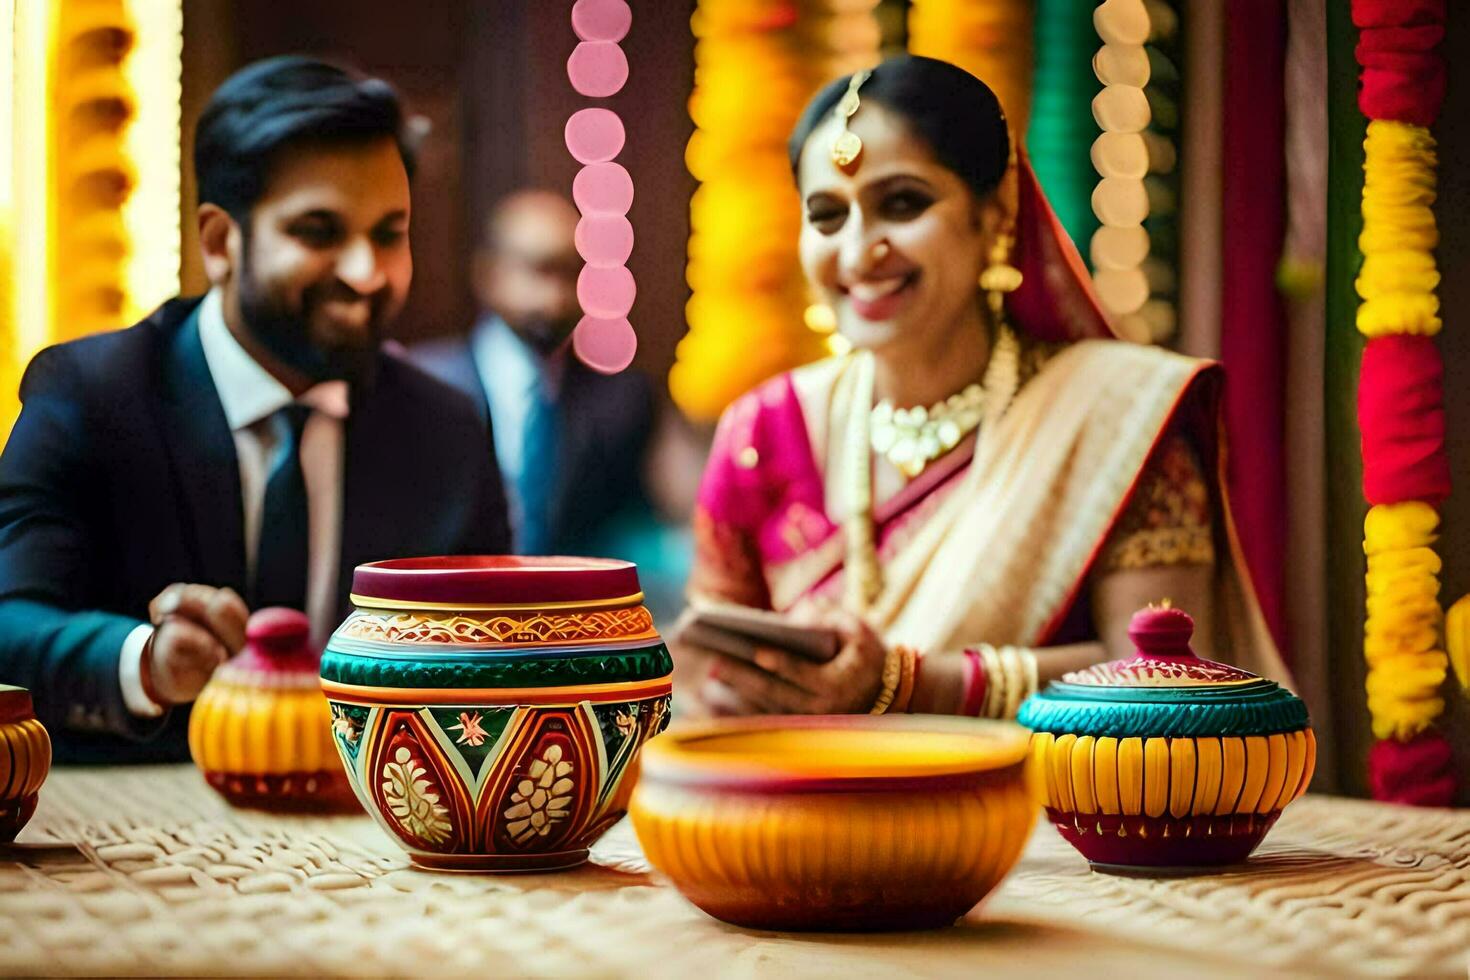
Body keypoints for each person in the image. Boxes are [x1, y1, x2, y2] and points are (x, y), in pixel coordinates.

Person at [675, 55, 1288, 719]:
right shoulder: (763, 430)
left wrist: (911, 685)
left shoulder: (1114, 418)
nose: (857, 253)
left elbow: (1165, 681)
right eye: (827, 215)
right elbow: (705, 680)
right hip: (800, 809)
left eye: (902, 202)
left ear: (995, 213)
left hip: (1049, 814)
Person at [0, 57, 510, 761]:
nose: (366, 272)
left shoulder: (447, 429)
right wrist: (146, 661)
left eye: (389, 233)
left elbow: (495, 657)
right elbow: (7, 624)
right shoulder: (92, 394)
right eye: (319, 231)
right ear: (219, 242)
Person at [409, 190, 657, 559]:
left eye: (571, 273)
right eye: (540, 269)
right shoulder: (423, 382)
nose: (555, 297)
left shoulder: (620, 400)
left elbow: (633, 530)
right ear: (489, 274)